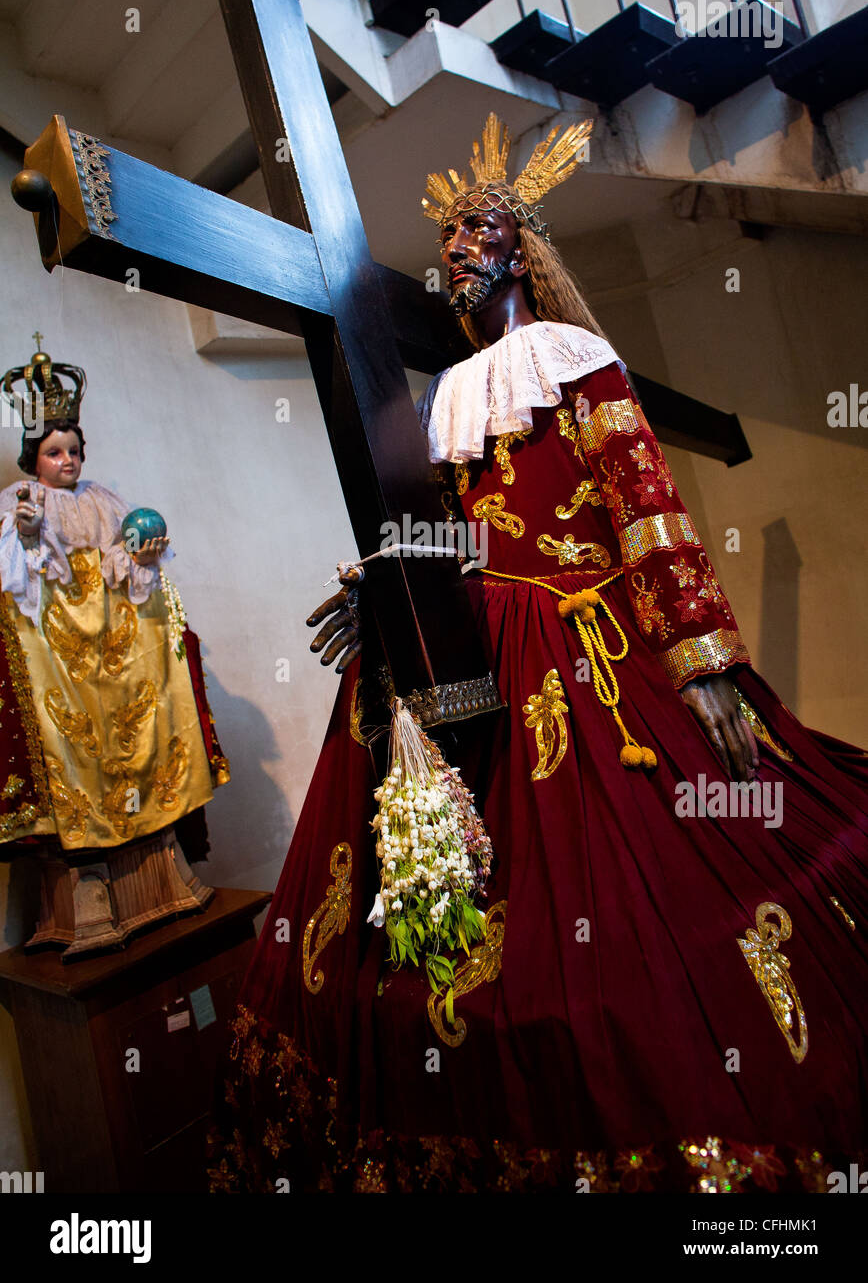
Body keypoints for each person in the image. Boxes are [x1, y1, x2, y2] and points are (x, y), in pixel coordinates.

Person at [209, 115, 867, 1194]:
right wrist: (386, 578)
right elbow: (454, 528)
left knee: (653, 923)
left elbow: (642, 502)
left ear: (521, 248)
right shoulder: (441, 402)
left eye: (477, 229)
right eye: (449, 234)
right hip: (476, 647)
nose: (456, 246)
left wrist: (697, 656)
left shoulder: (573, 357)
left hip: (584, 637)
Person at [0, 345, 228, 854]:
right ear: (33, 458)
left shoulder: (101, 499)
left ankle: (153, 832)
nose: (67, 461)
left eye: (74, 451)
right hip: (58, 648)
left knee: (145, 707)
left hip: (115, 639)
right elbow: (19, 578)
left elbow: (123, 566)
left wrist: (142, 560)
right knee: (73, 739)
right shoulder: (21, 501)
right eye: (54, 452)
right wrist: (32, 536)